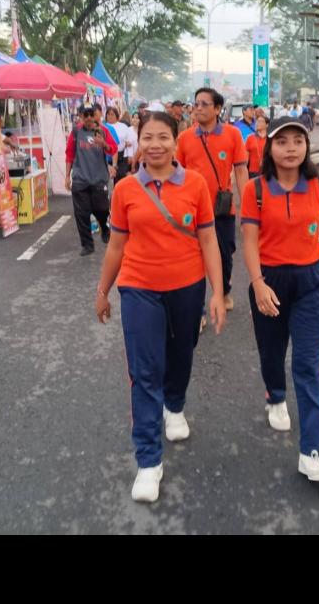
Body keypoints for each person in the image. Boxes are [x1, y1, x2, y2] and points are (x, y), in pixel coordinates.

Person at [95, 112, 226, 503]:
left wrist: (217, 292)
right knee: (145, 370)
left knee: (182, 354)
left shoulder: (196, 184)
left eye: (163, 137)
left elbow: (208, 240)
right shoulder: (125, 189)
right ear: (138, 142)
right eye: (148, 137)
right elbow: (116, 245)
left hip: (188, 286)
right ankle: (149, 460)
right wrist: (103, 290)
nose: (155, 145)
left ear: (175, 141)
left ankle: (175, 405)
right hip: (139, 288)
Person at [240, 116, 319, 483]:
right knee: (272, 352)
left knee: (307, 364)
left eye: (297, 141)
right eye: (282, 141)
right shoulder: (255, 189)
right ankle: (275, 395)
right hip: (269, 281)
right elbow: (250, 241)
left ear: (306, 146)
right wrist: (257, 283)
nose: (291, 148)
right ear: (269, 148)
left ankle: (311, 452)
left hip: (311, 283)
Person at [175, 87, 248, 313]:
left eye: (204, 104)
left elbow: (241, 171)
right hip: (192, 210)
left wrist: (247, 208)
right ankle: (198, 310)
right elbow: (177, 174)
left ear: (217, 109)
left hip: (222, 208)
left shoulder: (232, 134)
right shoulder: (185, 138)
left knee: (225, 253)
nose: (198, 108)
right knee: (193, 259)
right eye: (196, 104)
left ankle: (223, 291)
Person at [65, 105, 118, 255]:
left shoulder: (103, 131)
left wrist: (103, 144)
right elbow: (69, 154)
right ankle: (87, 245)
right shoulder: (76, 132)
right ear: (81, 116)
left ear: (95, 115)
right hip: (80, 179)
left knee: (101, 209)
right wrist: (67, 176)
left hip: (99, 179)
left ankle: (104, 228)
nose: (88, 118)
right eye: (85, 114)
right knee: (81, 213)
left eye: (91, 114)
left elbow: (113, 149)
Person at [245, 114, 268, 178]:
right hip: (253, 173)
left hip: (267, 172)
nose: (257, 123)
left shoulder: (271, 138)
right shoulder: (250, 138)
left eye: (260, 121)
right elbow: (245, 159)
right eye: (257, 121)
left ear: (267, 125)